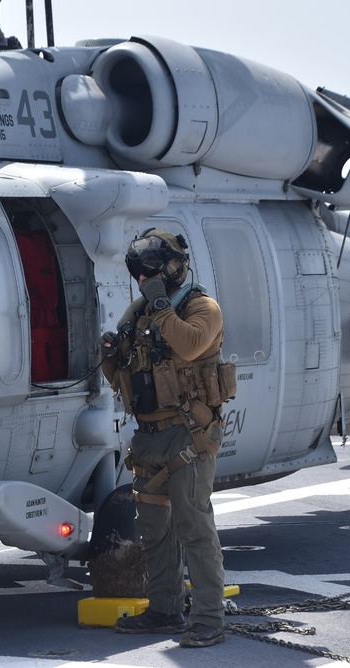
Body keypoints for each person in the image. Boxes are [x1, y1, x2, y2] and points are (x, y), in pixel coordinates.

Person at [100, 228, 232, 648]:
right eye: (141, 275)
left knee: (194, 526)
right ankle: (165, 609)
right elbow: (123, 377)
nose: (145, 281)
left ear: (174, 267)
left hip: (188, 436)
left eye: (152, 273)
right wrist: (111, 352)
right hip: (150, 437)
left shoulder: (201, 308)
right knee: (154, 530)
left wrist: (159, 305)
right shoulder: (140, 316)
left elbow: (191, 346)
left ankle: (209, 617)